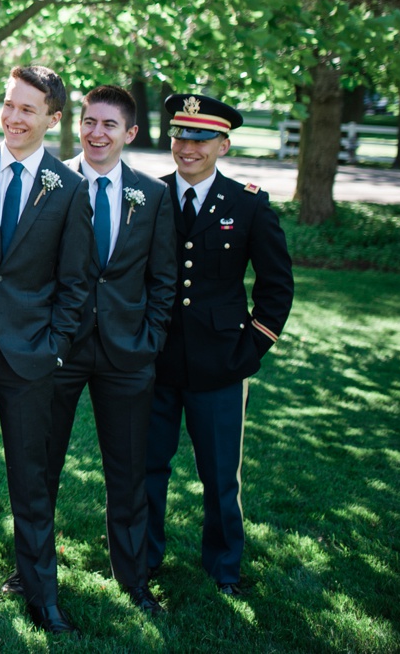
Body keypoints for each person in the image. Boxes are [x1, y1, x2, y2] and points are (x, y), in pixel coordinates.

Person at [0, 65, 93, 635]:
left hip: (31, 357)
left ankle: (42, 595)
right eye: (10, 105)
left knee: (32, 482)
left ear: (53, 120)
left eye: (28, 110)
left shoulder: (69, 188)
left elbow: (77, 282)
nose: (14, 117)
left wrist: (55, 348)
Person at [146, 94, 294, 597]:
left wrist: (252, 348)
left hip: (221, 364)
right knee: (147, 468)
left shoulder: (248, 203)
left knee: (219, 476)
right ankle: (142, 559)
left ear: (223, 145)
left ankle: (224, 566)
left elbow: (276, 286)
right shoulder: (150, 196)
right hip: (155, 360)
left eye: (201, 138)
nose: (188, 147)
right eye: (180, 136)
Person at [48, 85, 176, 615]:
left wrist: (149, 338)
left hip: (128, 354)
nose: (96, 133)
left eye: (108, 125)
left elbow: (163, 278)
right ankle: (30, 571)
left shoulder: (153, 194)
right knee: (41, 467)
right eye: (88, 122)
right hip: (60, 350)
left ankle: (134, 578)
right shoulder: (51, 184)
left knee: (128, 472)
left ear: (130, 133)